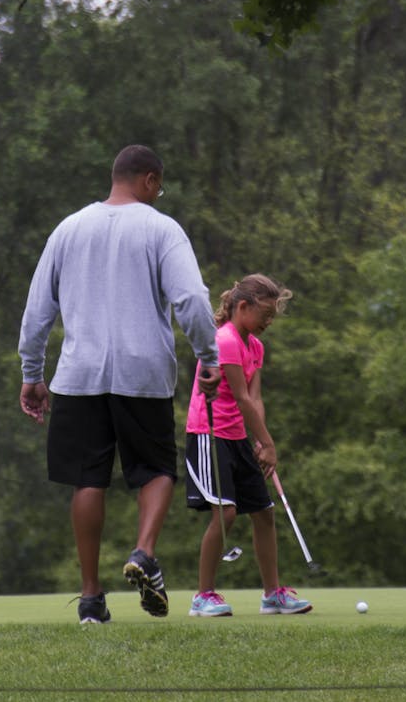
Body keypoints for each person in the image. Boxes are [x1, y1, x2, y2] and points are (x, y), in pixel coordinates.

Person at [18, 145, 222, 624]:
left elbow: (36, 310)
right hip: (142, 371)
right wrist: (208, 355)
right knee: (155, 469)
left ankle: (91, 598)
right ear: (149, 180)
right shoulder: (161, 228)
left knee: (88, 478)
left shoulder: (68, 229)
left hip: (79, 373)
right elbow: (191, 298)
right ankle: (144, 553)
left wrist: (32, 373)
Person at [184, 274, 312, 616]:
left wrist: (261, 439)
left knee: (264, 512)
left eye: (272, 316)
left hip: (238, 435)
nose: (269, 322)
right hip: (208, 433)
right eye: (265, 315)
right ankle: (203, 596)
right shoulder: (224, 340)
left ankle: (272, 594)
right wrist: (268, 443)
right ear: (242, 307)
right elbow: (240, 397)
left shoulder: (255, 346)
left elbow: (255, 399)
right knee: (225, 512)